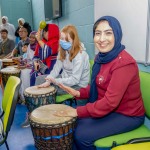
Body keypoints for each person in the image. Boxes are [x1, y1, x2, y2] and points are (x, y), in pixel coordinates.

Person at [53, 16, 145, 150]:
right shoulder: (101, 58)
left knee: (81, 135)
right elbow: (97, 86)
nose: (102, 39)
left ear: (117, 35)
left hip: (128, 115)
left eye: (108, 33)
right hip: (111, 109)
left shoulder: (124, 64)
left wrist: (77, 111)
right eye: (98, 33)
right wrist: (78, 92)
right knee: (72, 125)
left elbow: (109, 102)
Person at [37, 25, 90, 97]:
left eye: (67, 40)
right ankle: (40, 106)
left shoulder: (80, 56)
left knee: (50, 90)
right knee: (39, 79)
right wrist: (49, 80)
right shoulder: (63, 51)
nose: (63, 42)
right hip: (65, 78)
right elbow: (56, 69)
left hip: (78, 85)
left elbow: (75, 80)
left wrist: (56, 81)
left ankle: (47, 107)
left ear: (74, 41)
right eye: (62, 38)